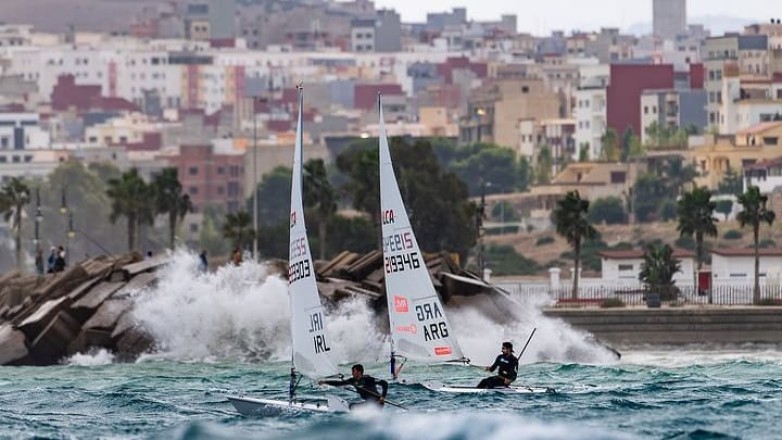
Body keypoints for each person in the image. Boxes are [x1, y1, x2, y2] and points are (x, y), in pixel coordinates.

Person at [318, 364, 388, 409]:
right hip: (369, 403)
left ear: (359, 372)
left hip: (377, 402)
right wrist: (325, 382)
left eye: (353, 371)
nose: (352, 373)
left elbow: (384, 383)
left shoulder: (368, 379)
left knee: (352, 407)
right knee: (352, 406)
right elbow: (339, 383)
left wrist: (383, 396)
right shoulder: (352, 380)